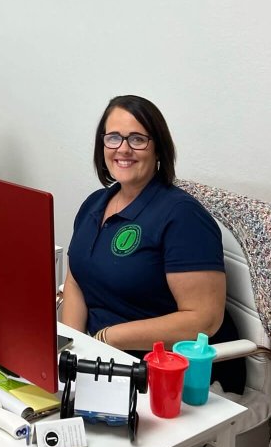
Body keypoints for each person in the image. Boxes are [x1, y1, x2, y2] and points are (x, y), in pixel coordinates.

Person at [59, 95, 245, 394]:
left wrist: (108, 339)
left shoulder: (182, 216)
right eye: (114, 137)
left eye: (137, 139)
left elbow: (204, 320)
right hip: (100, 356)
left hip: (165, 367)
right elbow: (76, 279)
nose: (123, 148)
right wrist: (71, 347)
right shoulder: (95, 203)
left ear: (158, 148)